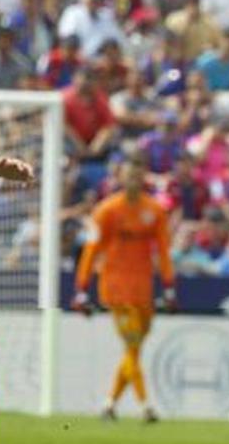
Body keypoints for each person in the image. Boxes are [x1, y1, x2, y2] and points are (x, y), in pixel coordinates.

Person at [72, 153, 175, 422]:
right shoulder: (106, 211)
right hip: (116, 289)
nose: (133, 180)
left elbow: (163, 251)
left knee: (134, 350)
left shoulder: (155, 211)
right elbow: (91, 251)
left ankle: (109, 404)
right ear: (120, 177)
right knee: (132, 344)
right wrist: (82, 288)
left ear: (144, 178)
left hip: (144, 290)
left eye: (138, 175)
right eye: (129, 175)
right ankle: (146, 406)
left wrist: (169, 285)